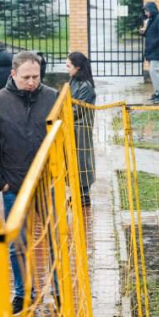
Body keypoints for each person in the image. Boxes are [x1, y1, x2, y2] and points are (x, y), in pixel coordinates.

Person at [0, 50, 58, 315]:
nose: (32, 82)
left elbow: (65, 137)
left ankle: (58, 291)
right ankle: (23, 293)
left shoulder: (52, 97)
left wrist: (62, 174)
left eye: (36, 76)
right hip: (15, 184)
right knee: (18, 243)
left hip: (48, 183)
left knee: (55, 239)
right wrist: (0, 182)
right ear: (13, 74)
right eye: (26, 77)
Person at [66, 51, 96, 206]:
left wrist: (63, 112)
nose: (67, 69)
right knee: (72, 160)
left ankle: (84, 193)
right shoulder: (73, 81)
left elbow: (77, 110)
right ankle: (77, 192)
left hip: (81, 128)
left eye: (69, 66)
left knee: (82, 160)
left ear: (77, 67)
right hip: (72, 127)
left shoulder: (86, 86)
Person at [139, 1, 159, 104]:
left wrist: (153, 44)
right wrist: (143, 33)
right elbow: (150, 33)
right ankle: (157, 93)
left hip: (157, 49)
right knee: (153, 71)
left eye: (147, 11)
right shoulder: (152, 19)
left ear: (152, 10)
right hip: (152, 49)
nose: (146, 14)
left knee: (154, 71)